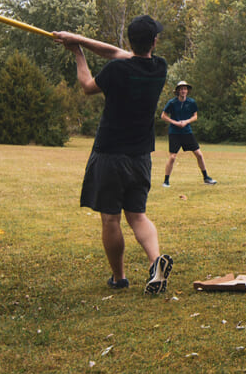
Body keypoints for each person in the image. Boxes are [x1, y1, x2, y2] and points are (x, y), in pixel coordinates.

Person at [53, 16, 173, 295]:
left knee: (110, 219)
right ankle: (156, 262)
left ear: (131, 40)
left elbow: (86, 86)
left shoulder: (116, 70)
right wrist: (77, 38)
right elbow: (115, 52)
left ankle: (119, 278)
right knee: (138, 216)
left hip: (110, 154)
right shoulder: (159, 67)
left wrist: (78, 53)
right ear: (153, 41)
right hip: (141, 156)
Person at [161, 80, 216, 186]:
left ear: (187, 91)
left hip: (187, 132)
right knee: (172, 157)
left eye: (185, 89)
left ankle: (206, 178)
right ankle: (166, 181)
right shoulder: (172, 103)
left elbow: (195, 116)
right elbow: (163, 116)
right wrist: (175, 123)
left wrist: (186, 122)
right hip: (174, 133)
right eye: (181, 89)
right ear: (177, 91)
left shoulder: (191, 102)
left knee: (199, 155)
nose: (183, 91)